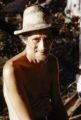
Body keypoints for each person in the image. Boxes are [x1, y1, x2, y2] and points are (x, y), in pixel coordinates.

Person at [3, 5, 68, 120]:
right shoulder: (13, 69)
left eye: (47, 39)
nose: (43, 47)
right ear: (25, 39)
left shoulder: (52, 62)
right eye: (36, 39)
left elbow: (57, 104)